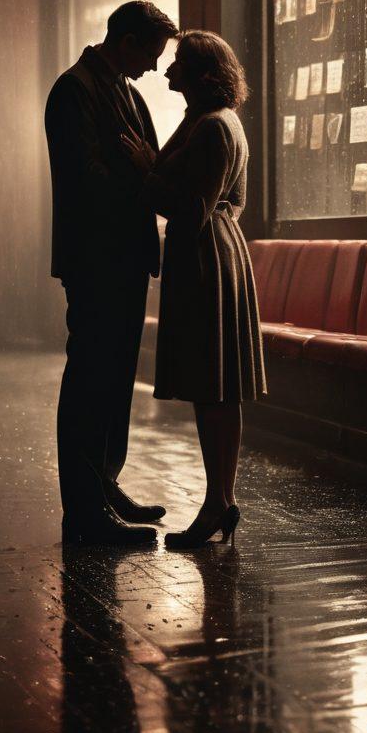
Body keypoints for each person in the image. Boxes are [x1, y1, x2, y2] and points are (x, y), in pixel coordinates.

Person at [122, 30, 266, 548]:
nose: (167, 71)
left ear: (204, 73)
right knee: (218, 385)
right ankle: (219, 502)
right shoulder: (213, 122)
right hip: (216, 252)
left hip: (206, 258)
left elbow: (191, 207)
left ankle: (217, 504)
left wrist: (144, 173)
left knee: (213, 386)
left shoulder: (211, 128)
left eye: (178, 63)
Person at [45, 0, 178, 545]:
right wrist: (141, 176)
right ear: (125, 41)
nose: (153, 66)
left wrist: (145, 171)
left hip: (122, 257)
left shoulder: (125, 89)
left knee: (116, 378)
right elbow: (84, 178)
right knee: (89, 381)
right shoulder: (73, 89)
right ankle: (84, 508)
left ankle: (105, 483)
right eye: (149, 52)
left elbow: (148, 161)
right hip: (96, 258)